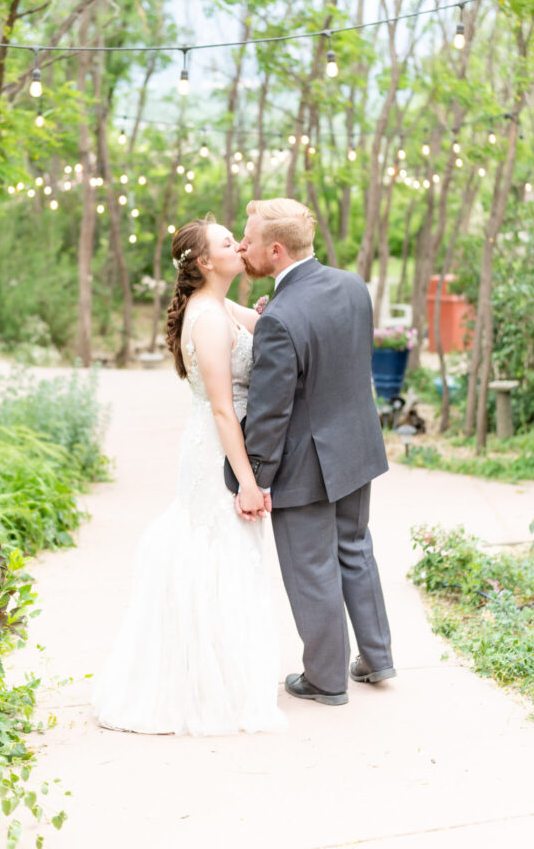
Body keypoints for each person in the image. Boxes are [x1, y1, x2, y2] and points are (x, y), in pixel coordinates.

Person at [91, 216, 286, 735]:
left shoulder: (221, 306)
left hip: (221, 442)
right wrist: (247, 482)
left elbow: (266, 328)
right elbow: (223, 409)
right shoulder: (208, 319)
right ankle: (203, 686)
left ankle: (224, 675)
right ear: (204, 261)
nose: (238, 245)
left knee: (229, 552)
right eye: (227, 242)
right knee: (215, 549)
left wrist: (269, 308)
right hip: (217, 450)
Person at [226, 198, 395, 704]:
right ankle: (377, 657)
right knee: (355, 549)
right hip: (356, 448)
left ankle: (325, 679)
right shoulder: (352, 286)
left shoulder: (280, 318)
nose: (242, 246)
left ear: (276, 250)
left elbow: (270, 412)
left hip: (305, 462)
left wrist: (254, 479)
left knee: (311, 568)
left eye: (250, 240)